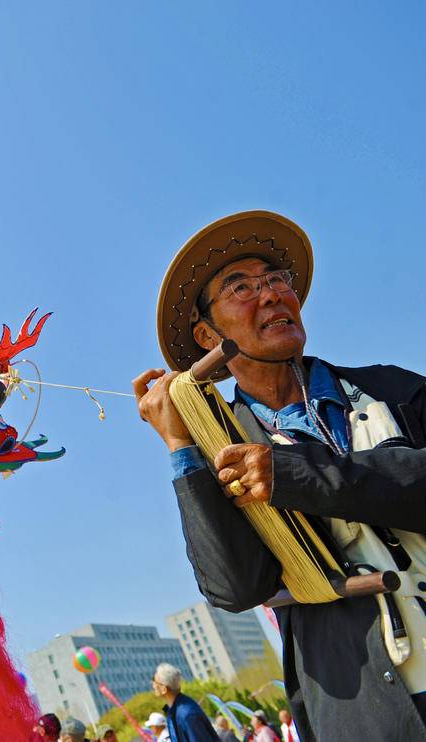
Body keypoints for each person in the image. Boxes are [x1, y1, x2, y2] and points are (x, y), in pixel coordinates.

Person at [135, 210, 426, 740]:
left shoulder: (392, 390)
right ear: (207, 334)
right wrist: (182, 449)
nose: (270, 295)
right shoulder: (220, 448)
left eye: (276, 280)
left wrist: (293, 474)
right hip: (358, 707)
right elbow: (237, 586)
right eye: (240, 287)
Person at [151, 663, 218, 741]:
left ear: (164, 689)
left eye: (155, 682)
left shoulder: (187, 714)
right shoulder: (173, 711)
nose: (153, 685)